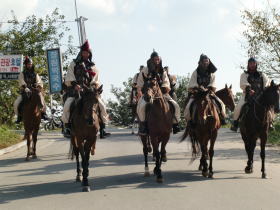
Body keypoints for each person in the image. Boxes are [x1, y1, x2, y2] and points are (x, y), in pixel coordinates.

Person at [61, 40, 110, 138]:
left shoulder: (93, 66)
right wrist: (75, 85)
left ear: (89, 54)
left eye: (87, 52)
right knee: (67, 105)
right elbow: (69, 76)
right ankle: (67, 127)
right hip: (76, 91)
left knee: (102, 105)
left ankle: (103, 127)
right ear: (81, 53)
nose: (85, 54)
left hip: (89, 92)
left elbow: (95, 80)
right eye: (83, 52)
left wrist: (91, 87)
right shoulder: (73, 64)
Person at [136, 51, 181, 135]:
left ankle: (175, 124)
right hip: (148, 93)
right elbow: (140, 83)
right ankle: (143, 125)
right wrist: (142, 91)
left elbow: (166, 81)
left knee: (176, 105)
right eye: (155, 59)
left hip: (162, 93)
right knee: (141, 107)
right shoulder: (145, 70)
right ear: (152, 60)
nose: (157, 61)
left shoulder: (162, 70)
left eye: (158, 59)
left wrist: (164, 87)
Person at [184, 54, 227, 127]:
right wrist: (199, 87)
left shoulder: (212, 73)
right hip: (197, 94)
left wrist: (207, 89)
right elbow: (192, 84)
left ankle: (222, 118)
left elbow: (212, 84)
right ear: (200, 62)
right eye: (204, 61)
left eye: (207, 61)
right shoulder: (195, 72)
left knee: (221, 103)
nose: (206, 63)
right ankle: (190, 121)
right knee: (188, 107)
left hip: (208, 93)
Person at [230, 57, 271, 131]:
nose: (252, 65)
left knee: (268, 107)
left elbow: (267, 82)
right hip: (248, 95)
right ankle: (235, 123)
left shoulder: (262, 75)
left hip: (260, 96)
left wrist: (265, 88)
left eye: (253, 63)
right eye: (250, 63)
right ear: (248, 65)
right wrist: (249, 89)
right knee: (238, 107)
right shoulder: (244, 74)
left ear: (256, 64)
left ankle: (270, 123)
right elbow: (243, 83)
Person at [14, 56, 49, 123]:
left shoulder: (35, 74)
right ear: (26, 65)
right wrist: (25, 87)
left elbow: (39, 81)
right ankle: (19, 116)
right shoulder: (22, 73)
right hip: (25, 91)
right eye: (28, 64)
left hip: (34, 91)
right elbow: (21, 80)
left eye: (30, 64)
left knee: (42, 99)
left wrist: (37, 85)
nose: (29, 65)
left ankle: (43, 113)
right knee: (16, 103)